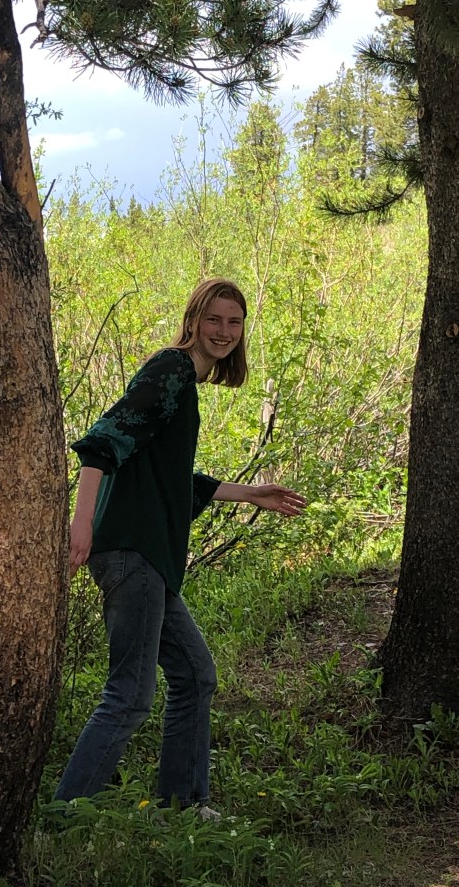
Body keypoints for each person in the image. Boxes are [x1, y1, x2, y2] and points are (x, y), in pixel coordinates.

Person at [56, 277, 305, 811]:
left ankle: (183, 806)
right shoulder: (170, 369)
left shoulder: (184, 383)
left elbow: (171, 479)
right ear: (193, 320)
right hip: (132, 551)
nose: (224, 331)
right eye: (213, 319)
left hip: (149, 558)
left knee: (195, 675)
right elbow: (103, 441)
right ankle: (66, 813)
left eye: (234, 322)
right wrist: (82, 523)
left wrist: (250, 493)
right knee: (129, 694)